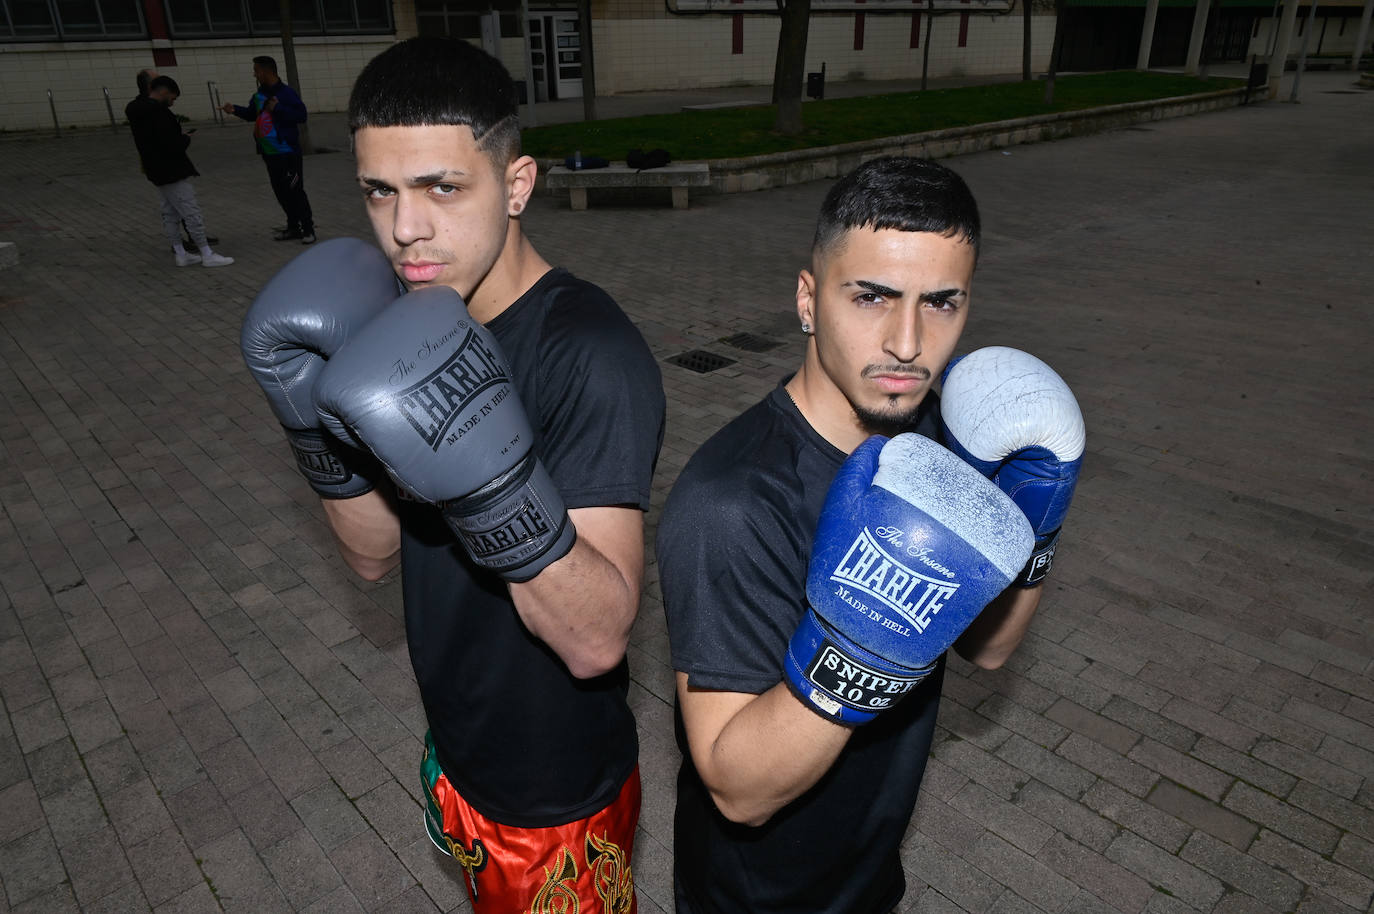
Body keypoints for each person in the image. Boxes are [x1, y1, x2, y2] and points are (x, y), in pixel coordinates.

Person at [238, 37, 665, 913]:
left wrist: (493, 488)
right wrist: (307, 418)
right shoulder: (399, 322)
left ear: (516, 184)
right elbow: (372, 555)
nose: (405, 229)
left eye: (443, 187)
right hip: (459, 737)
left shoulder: (590, 353)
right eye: (379, 191)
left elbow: (597, 640)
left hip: (553, 792)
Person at [657, 156, 1084, 913]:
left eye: (941, 304)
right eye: (873, 298)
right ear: (809, 299)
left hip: (869, 880)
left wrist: (1035, 527)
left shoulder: (937, 445)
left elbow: (988, 647)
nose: (909, 342)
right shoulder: (731, 502)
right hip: (755, 899)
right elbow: (736, 789)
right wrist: (854, 652)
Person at [125, 75, 234, 268]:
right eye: (173, 98)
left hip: (155, 168)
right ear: (164, 92)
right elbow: (171, 144)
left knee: (170, 212)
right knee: (190, 211)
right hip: (171, 168)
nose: (172, 103)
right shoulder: (159, 113)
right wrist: (185, 139)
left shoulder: (137, 110)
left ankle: (181, 252)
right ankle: (206, 253)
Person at [221, 55, 316, 244]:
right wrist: (235, 110)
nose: (254, 74)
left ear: (266, 72)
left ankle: (308, 229)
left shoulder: (286, 93)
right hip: (269, 153)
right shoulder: (258, 95)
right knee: (281, 191)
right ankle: (293, 227)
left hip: (287, 152)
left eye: (256, 70)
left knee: (295, 190)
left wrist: (279, 108)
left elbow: (301, 115)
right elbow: (251, 114)